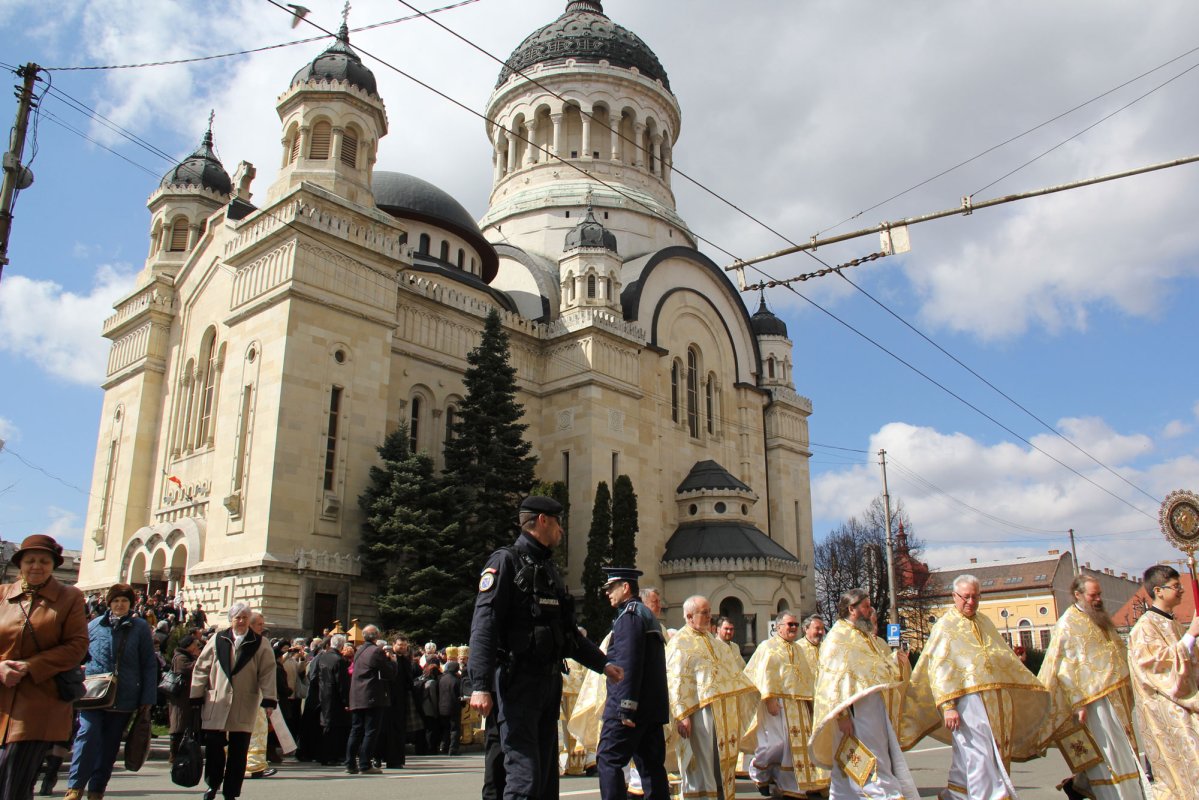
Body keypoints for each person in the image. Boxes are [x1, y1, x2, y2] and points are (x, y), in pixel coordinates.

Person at [468, 495, 621, 800]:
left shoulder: (548, 569)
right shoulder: (505, 562)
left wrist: (603, 664)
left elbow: (568, 634)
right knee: (524, 775)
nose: (561, 530)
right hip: (518, 682)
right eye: (558, 523)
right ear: (542, 521)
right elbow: (484, 625)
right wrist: (480, 685)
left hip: (548, 682)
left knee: (546, 778)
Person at [901, 574, 1048, 800]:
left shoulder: (984, 622)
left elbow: (1001, 654)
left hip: (992, 698)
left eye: (976, 597)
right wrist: (948, 706)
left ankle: (956, 794)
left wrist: (1019, 674)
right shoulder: (945, 626)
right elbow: (939, 668)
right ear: (954, 596)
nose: (971, 602)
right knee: (979, 753)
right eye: (966, 597)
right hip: (965, 699)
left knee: (972, 752)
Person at [1037, 575, 1147, 799]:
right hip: (1092, 702)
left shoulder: (1100, 618)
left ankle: (1126, 792)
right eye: (1093, 595)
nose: (1098, 599)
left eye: (1099, 594)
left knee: (1124, 751)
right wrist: (1078, 702)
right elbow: (1063, 667)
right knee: (1106, 753)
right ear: (1078, 595)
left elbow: (1116, 651)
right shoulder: (1067, 624)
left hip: (1114, 695)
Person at [0, 535, 88, 800]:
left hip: (40, 704)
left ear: (53, 565)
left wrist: (30, 666)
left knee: (12, 780)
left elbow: (77, 646)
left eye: (44, 561)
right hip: (2, 698)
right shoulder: (3, 594)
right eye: (30, 560)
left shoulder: (69, 597)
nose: (36, 566)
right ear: (20, 564)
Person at [810, 589, 918, 799]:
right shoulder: (837, 638)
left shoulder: (861, 635)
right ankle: (881, 795)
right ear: (852, 609)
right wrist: (841, 716)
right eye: (866, 606)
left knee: (855, 766)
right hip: (855, 713)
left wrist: (895, 662)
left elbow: (874, 670)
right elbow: (832, 682)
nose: (870, 611)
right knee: (869, 759)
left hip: (871, 708)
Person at [64, 582, 157, 800]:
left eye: (124, 601)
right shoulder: (94, 625)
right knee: (87, 734)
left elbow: (148, 664)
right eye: (116, 601)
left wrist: (147, 699)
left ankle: (97, 790)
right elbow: (78, 655)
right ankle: (75, 787)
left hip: (124, 695)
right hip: (94, 694)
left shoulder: (140, 627)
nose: (120, 605)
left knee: (110, 745)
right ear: (109, 603)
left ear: (131, 604)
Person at [665, 595, 758, 800]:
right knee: (701, 760)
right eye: (704, 613)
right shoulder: (679, 643)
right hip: (697, 712)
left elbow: (732, 673)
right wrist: (682, 715)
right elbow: (675, 680)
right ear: (689, 616)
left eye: (709, 612)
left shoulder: (715, 642)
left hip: (722, 712)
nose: (709, 616)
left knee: (719, 760)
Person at [190, 602, 278, 800]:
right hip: (218, 700)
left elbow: (267, 672)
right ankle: (212, 784)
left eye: (245, 618)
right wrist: (196, 694)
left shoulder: (260, 643)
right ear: (231, 619)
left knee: (239, 751)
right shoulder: (218, 639)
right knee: (214, 747)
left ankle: (231, 791)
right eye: (238, 617)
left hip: (244, 702)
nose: (241, 621)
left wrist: (269, 699)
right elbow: (202, 667)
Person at [594, 568, 669, 800]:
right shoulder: (645, 614)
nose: (607, 593)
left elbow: (628, 663)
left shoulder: (630, 616)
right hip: (650, 709)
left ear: (625, 587)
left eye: (611, 588)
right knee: (651, 766)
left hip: (631, 707)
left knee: (608, 759)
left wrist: (626, 707)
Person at [1127, 564, 1199, 795]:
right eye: (1176, 586)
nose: (1181, 590)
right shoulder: (1144, 628)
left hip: (1186, 707)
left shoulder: (1173, 623)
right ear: (1158, 591)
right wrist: (1191, 634)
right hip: (1168, 712)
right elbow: (1156, 667)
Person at [743, 611, 825, 798]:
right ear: (778, 627)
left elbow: (806, 678)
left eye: (796, 624)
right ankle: (758, 771)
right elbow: (763, 673)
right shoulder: (768, 647)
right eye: (790, 624)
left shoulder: (798, 649)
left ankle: (791, 786)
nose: (794, 627)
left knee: (793, 749)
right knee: (775, 745)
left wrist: (810, 703)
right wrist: (770, 699)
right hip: (775, 703)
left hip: (797, 704)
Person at [345, 624, 396, 773]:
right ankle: (365, 764)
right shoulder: (376, 651)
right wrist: (392, 661)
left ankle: (350, 763)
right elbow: (388, 673)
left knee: (356, 730)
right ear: (377, 636)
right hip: (371, 695)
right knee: (371, 731)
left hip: (356, 695)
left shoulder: (359, 650)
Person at [315, 633, 351, 765]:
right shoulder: (339, 660)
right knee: (335, 728)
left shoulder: (323, 657)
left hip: (323, 694)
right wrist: (346, 701)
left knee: (326, 725)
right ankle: (331, 756)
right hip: (335, 697)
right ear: (341, 646)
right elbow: (342, 683)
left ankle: (325, 755)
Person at [169, 634, 202, 761]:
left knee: (185, 725)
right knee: (178, 725)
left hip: (186, 697)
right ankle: (174, 754)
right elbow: (190, 669)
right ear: (189, 645)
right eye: (195, 644)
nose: (197, 647)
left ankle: (183, 753)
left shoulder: (186, 657)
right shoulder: (180, 657)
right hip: (180, 698)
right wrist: (200, 659)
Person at [438, 658, 464, 755]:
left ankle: (443, 747)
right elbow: (460, 694)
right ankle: (453, 749)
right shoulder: (457, 680)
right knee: (454, 729)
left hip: (442, 707)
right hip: (454, 707)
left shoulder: (442, 679)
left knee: (445, 728)